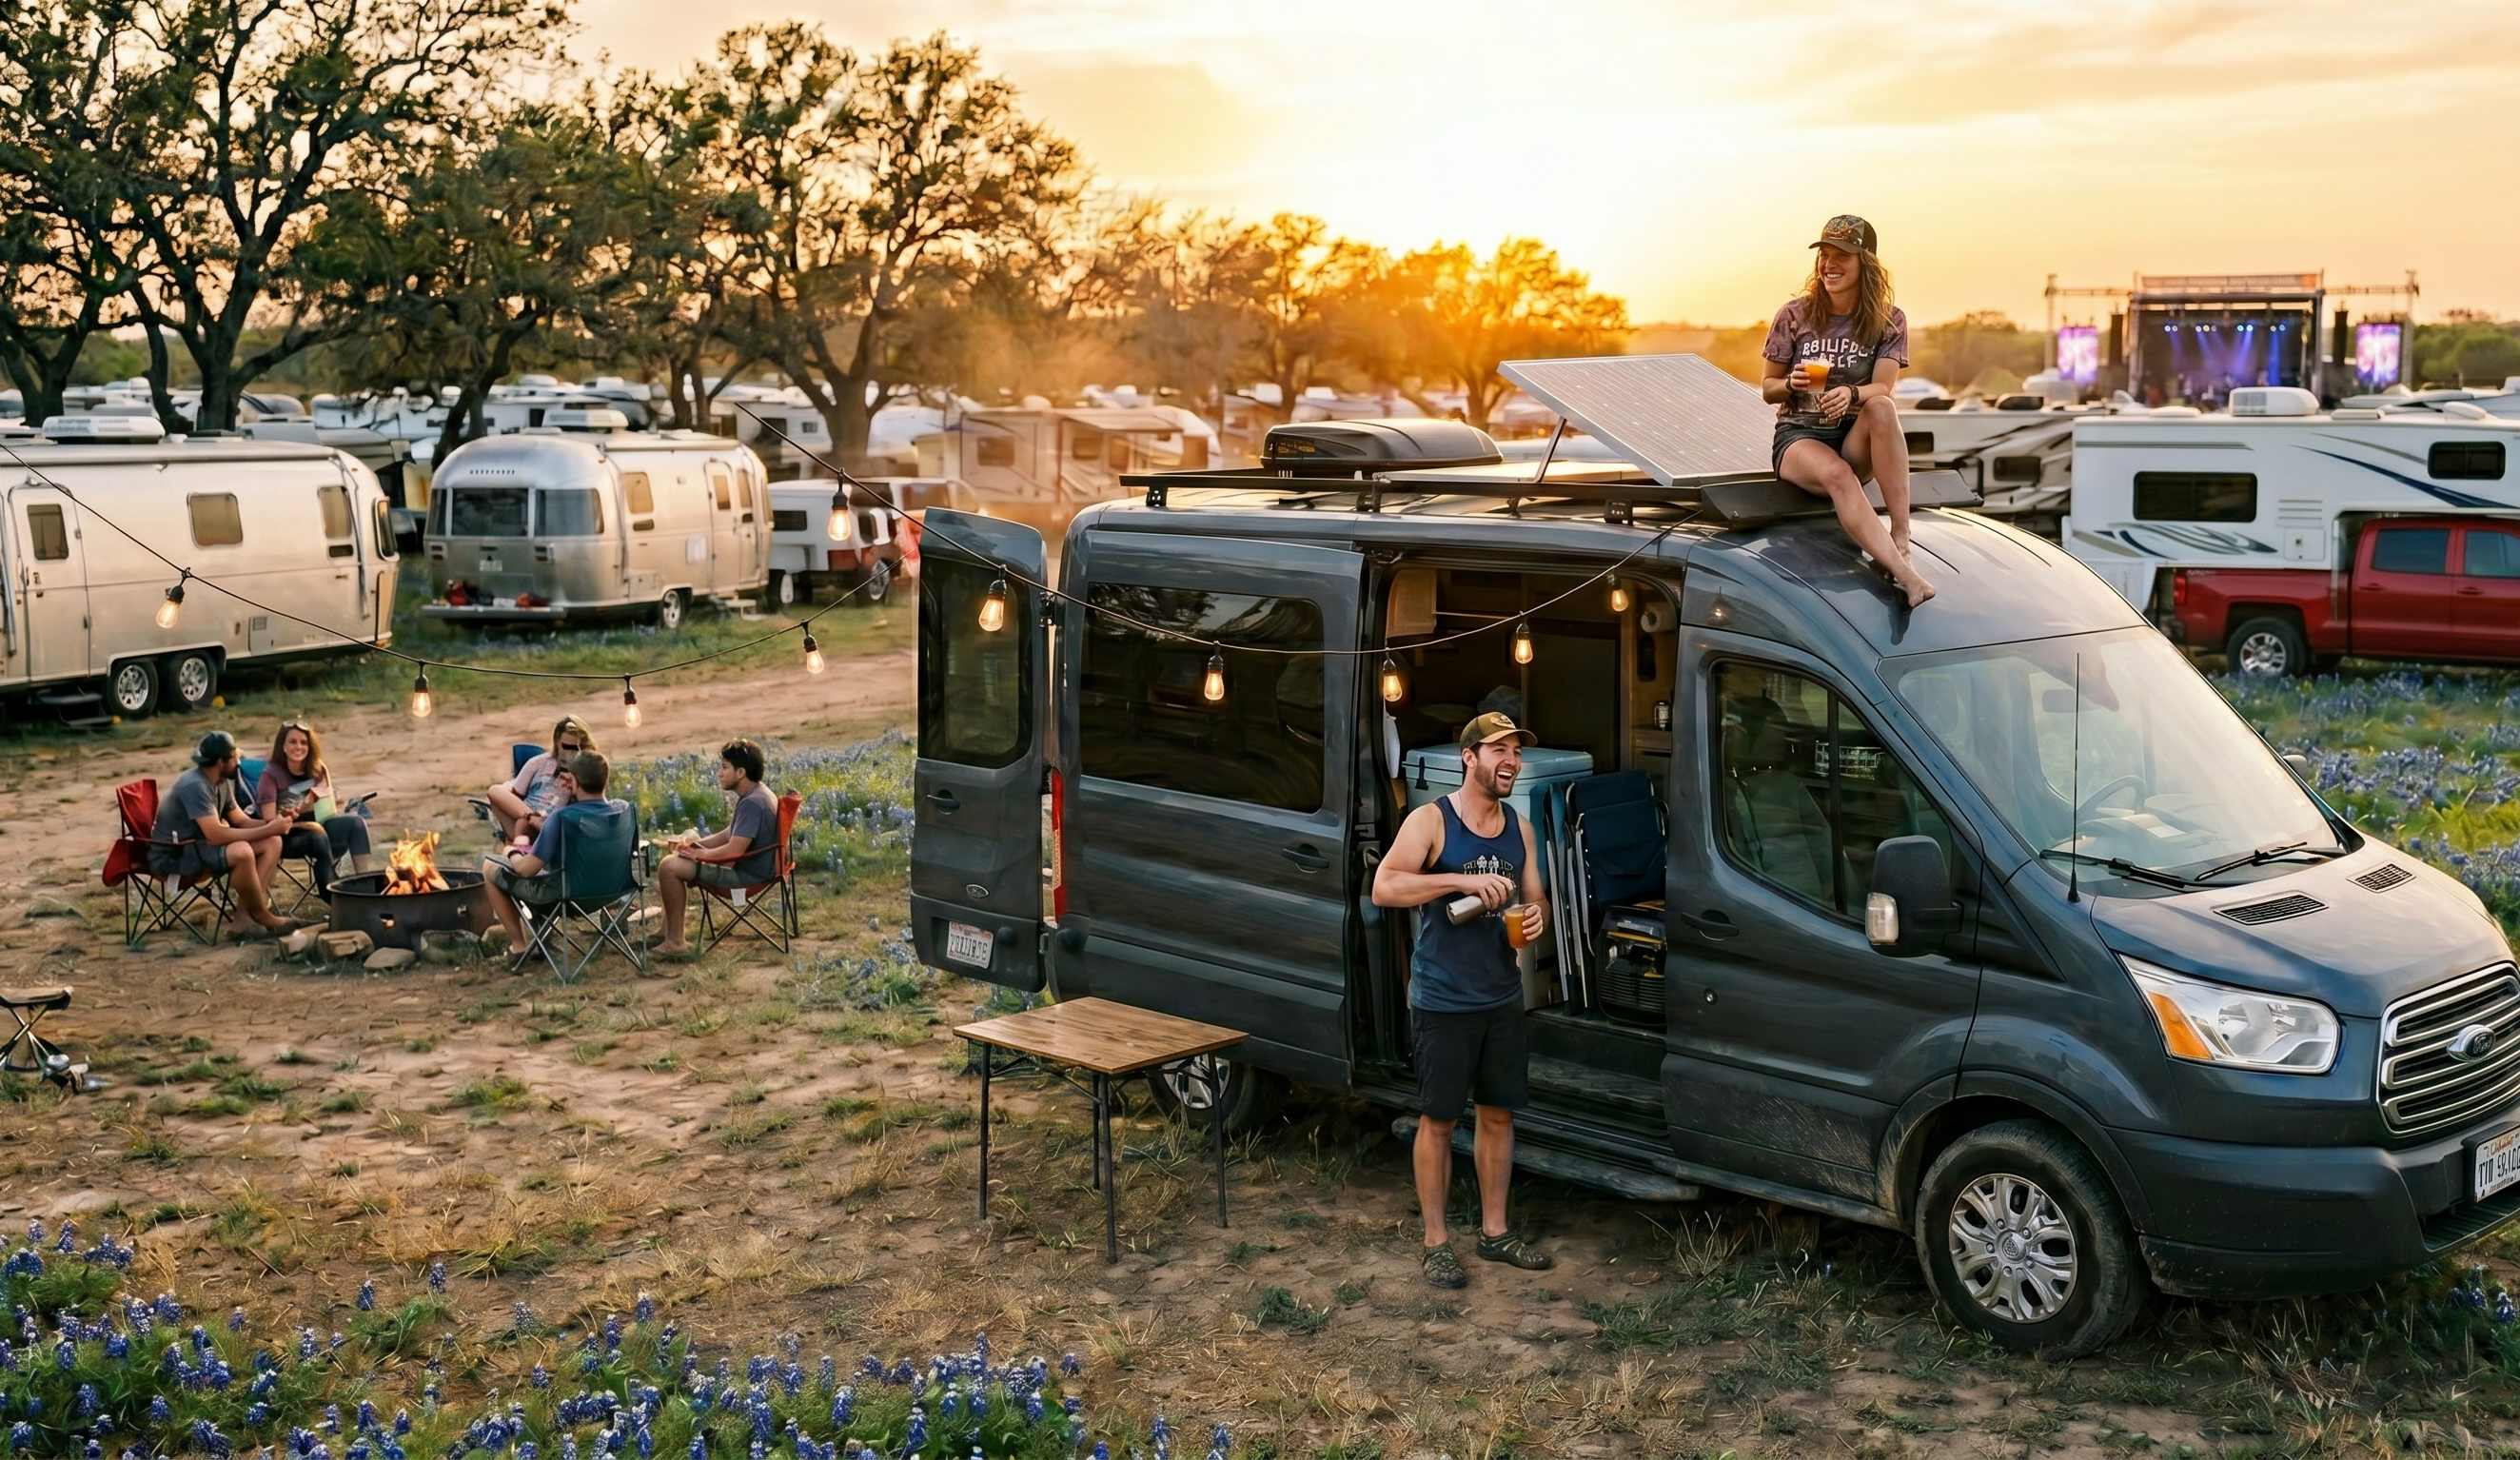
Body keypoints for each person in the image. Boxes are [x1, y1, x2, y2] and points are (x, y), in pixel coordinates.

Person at [1369, 711, 1554, 1288]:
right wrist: (1459, 881)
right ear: (1468, 757)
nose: (1511, 761)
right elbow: (1384, 886)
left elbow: (1535, 898)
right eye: (1498, 750)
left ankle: (1495, 1234)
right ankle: (1436, 1243)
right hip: (1442, 1000)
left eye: (1516, 752)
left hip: (1500, 995)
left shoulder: (1519, 828)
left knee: (1498, 1116)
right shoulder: (1432, 821)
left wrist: (1536, 915)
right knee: (1441, 1120)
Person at [1761, 214, 1936, 609]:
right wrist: (1791, 384)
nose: (1829, 263)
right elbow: (1768, 389)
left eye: (1842, 254)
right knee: (1839, 475)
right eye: (1824, 253)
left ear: (1866, 262)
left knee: (1881, 407)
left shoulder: (1890, 320)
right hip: (1799, 438)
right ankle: (1908, 577)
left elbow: (1883, 388)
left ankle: (1901, 535)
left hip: (1853, 438)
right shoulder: (1794, 315)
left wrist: (1851, 393)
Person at [149, 731, 300, 938]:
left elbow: (241, 821)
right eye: (235, 757)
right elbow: (215, 835)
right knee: (242, 851)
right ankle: (263, 916)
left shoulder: (222, 780)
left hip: (199, 845)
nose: (239, 761)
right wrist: (268, 829)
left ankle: (243, 921)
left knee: (272, 842)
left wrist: (274, 822)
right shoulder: (195, 786)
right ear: (221, 761)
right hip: (176, 856)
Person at [481, 750, 620, 949]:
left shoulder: (561, 819)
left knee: (489, 868)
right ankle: (541, 938)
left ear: (575, 783)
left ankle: (519, 946)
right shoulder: (622, 810)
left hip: (565, 896)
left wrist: (512, 850)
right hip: (611, 890)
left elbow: (525, 870)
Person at [653, 739, 778, 957]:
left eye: (724, 767)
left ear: (740, 772)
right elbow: (730, 834)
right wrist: (695, 845)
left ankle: (675, 943)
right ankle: (666, 931)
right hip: (755, 868)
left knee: (668, 867)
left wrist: (699, 854)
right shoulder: (757, 793)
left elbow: (733, 852)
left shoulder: (752, 803)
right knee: (690, 837)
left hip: (746, 877)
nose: (719, 773)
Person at [255, 719, 373, 897]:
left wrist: (334, 805)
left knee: (356, 823)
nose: (298, 747)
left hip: (319, 826)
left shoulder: (317, 769)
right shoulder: (270, 775)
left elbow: (328, 810)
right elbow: (269, 821)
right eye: (292, 742)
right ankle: (333, 895)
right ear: (283, 746)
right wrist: (297, 815)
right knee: (317, 834)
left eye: (304, 742)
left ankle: (366, 886)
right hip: (285, 836)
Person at [488, 717, 597, 845]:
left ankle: (535, 826)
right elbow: (515, 794)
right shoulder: (538, 762)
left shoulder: (583, 771)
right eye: (565, 746)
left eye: (574, 748)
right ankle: (533, 819)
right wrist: (531, 817)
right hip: (527, 817)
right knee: (494, 791)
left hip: (553, 825)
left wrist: (574, 778)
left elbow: (586, 805)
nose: (568, 752)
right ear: (557, 742)